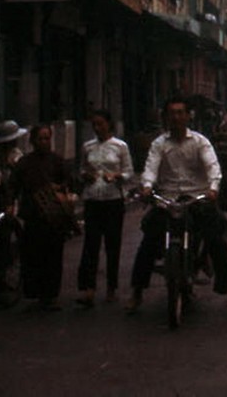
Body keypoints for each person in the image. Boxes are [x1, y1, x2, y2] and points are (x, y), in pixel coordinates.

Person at [127, 95, 227, 314]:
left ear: (188, 116)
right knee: (149, 240)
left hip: (196, 199)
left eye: (181, 113)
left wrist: (213, 189)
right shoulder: (159, 144)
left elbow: (212, 167)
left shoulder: (200, 142)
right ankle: (137, 292)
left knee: (216, 238)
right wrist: (146, 186)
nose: (177, 117)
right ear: (166, 117)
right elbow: (151, 168)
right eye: (172, 113)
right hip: (168, 200)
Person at [75, 109, 133, 308]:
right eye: (94, 125)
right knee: (91, 245)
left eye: (100, 124)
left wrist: (117, 176)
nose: (97, 128)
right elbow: (82, 169)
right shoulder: (87, 147)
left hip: (113, 200)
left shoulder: (120, 147)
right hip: (92, 199)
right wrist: (86, 176)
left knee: (112, 245)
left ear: (109, 124)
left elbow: (128, 173)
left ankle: (111, 287)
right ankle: (88, 288)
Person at [12, 124, 72, 310]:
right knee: (32, 254)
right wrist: (9, 203)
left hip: (52, 214)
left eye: (47, 138)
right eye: (41, 138)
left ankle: (50, 295)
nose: (45, 142)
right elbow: (14, 185)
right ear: (32, 141)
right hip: (32, 213)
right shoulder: (24, 163)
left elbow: (68, 181)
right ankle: (35, 292)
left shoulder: (57, 161)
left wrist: (60, 189)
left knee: (53, 256)